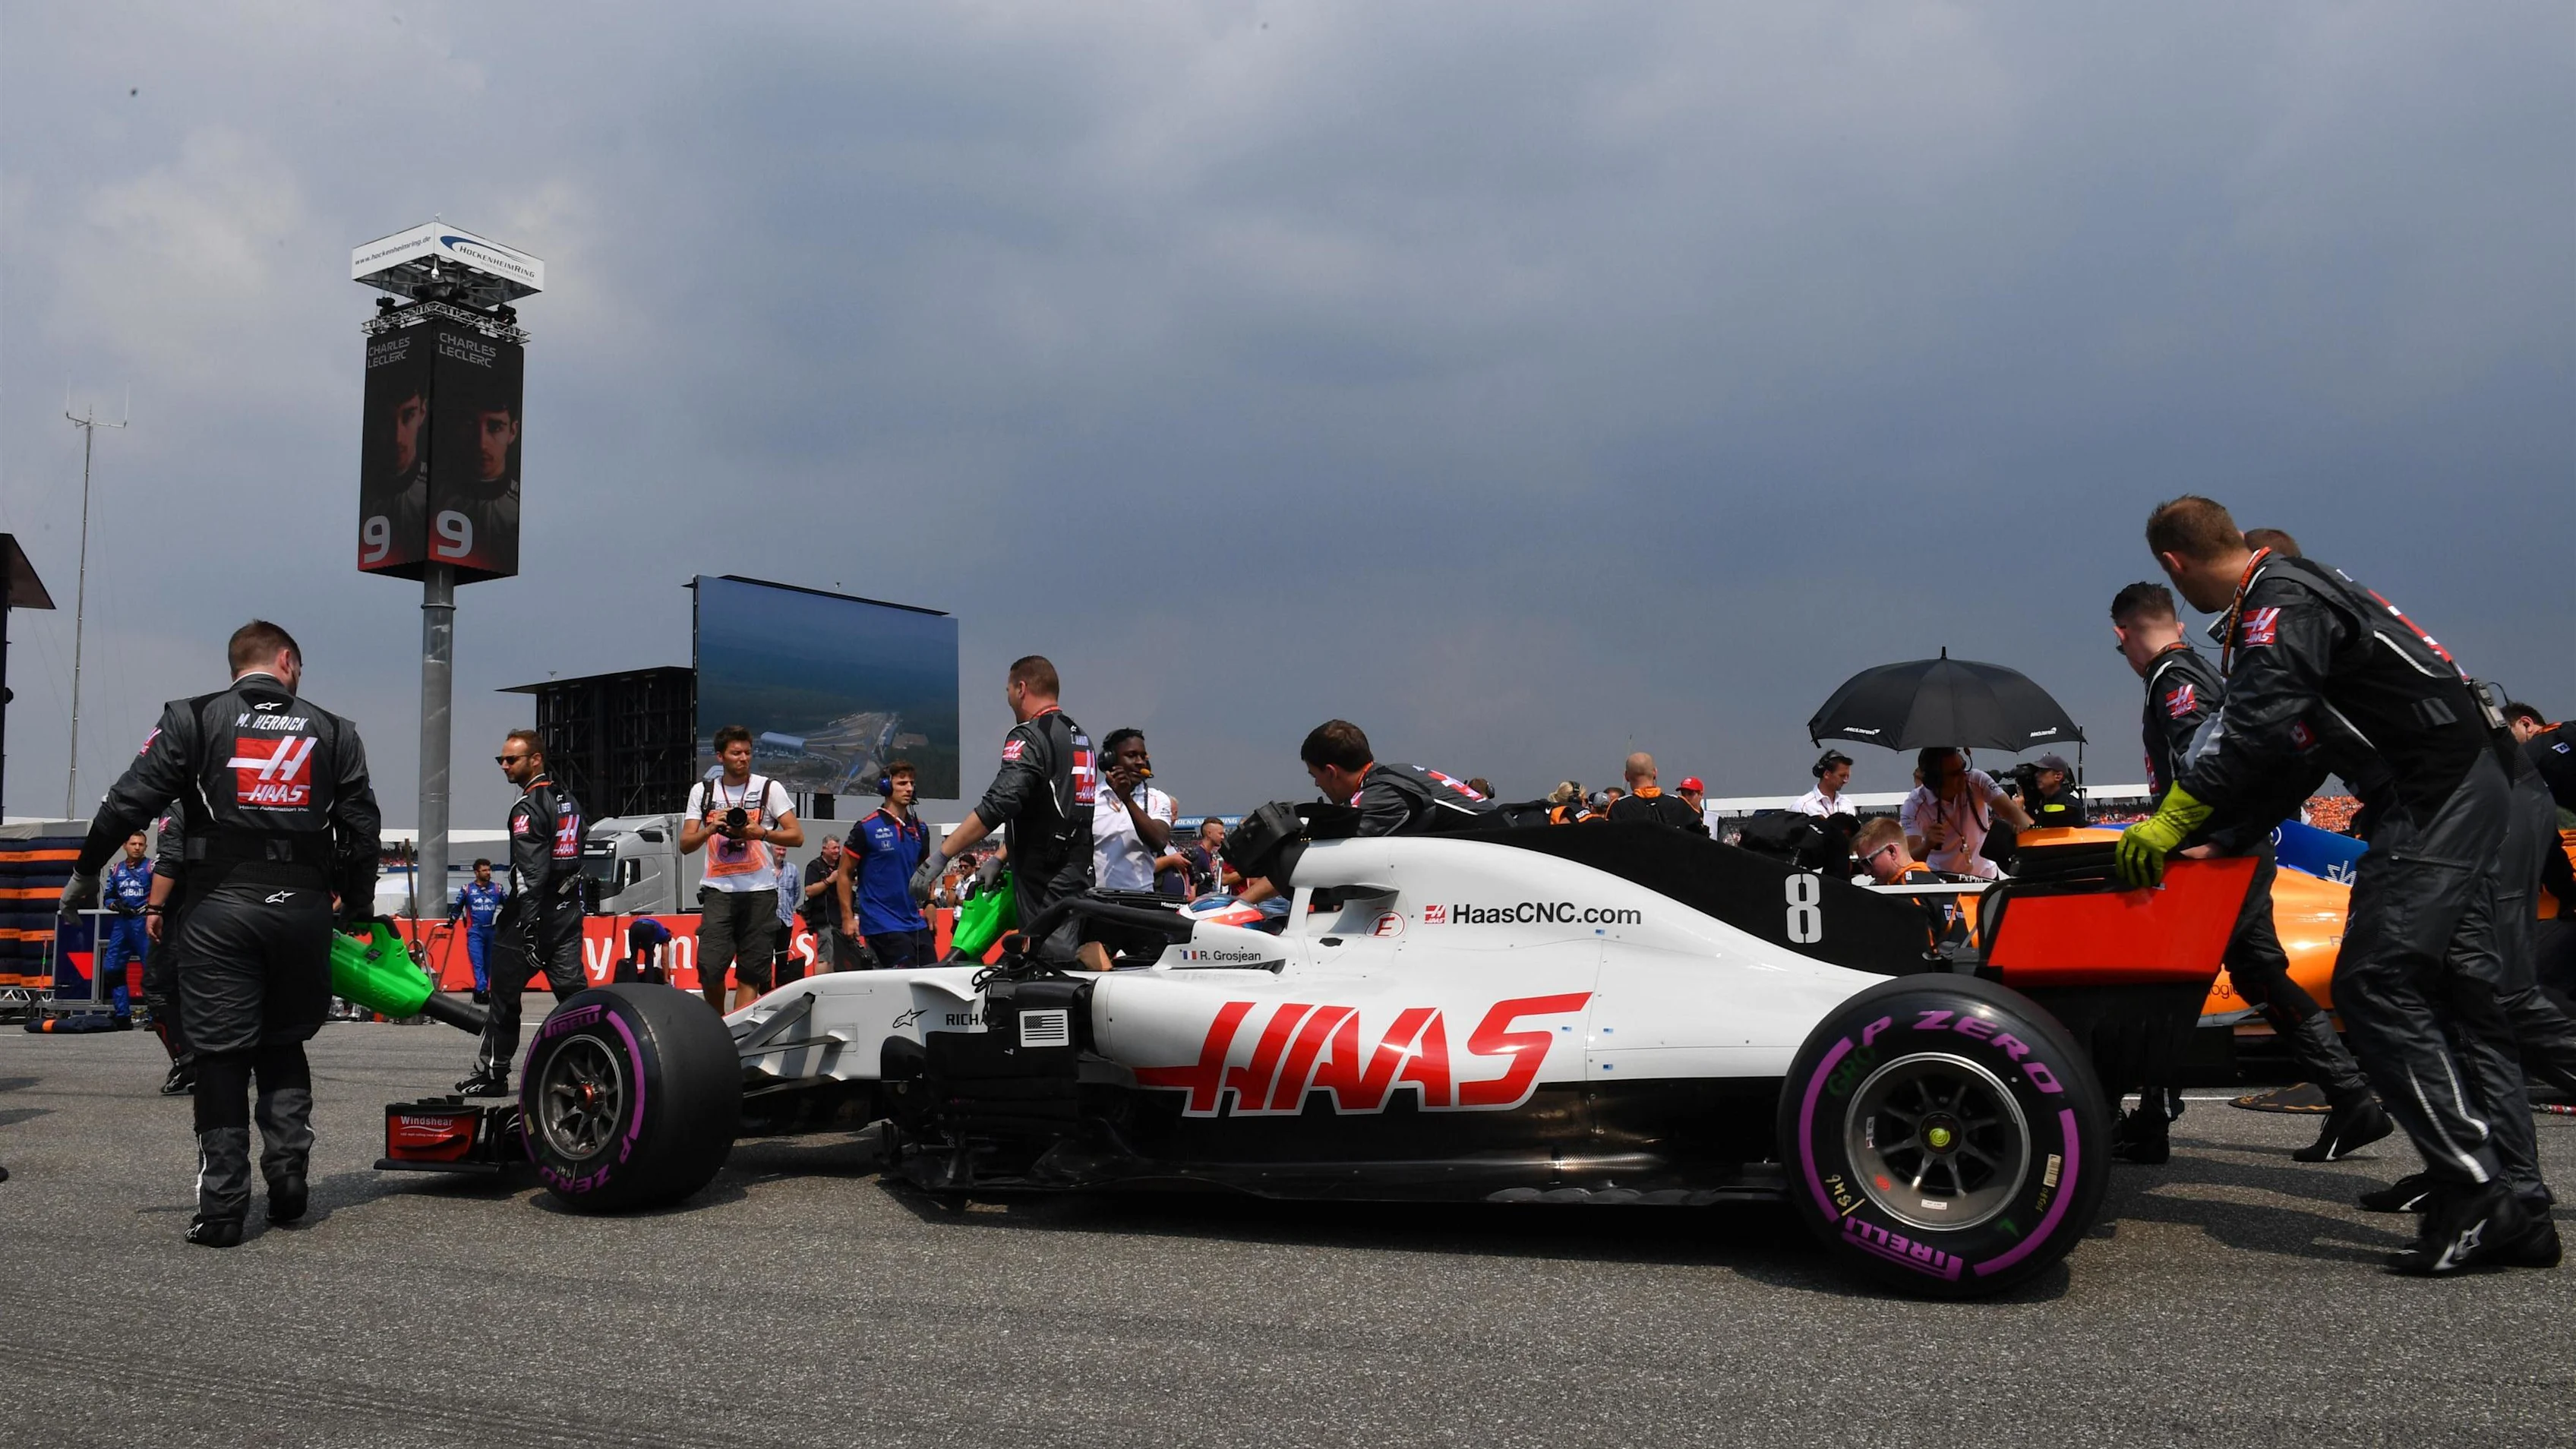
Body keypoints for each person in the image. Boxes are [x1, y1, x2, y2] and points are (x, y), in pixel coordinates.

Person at [2120, 496, 2550, 1273]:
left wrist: (2169, 820)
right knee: (2462, 992)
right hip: (2447, 786)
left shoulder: (2275, 605)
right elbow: (2289, 758)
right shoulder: (2294, 595)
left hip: (2436, 791)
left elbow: (2252, 733)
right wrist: (2212, 837)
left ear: (2171, 566)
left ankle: (2480, 1193)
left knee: (2374, 984)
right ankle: (2512, 1199)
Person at [58, 620, 379, 1247]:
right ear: (286, 660)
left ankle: (224, 1210)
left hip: (219, 912)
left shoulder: (193, 718)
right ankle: (288, 1179)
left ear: (239, 665)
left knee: (223, 1055)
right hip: (302, 909)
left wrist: (84, 872)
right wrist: (357, 909)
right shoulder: (336, 730)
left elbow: (128, 803)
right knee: (284, 1040)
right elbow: (362, 830)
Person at [2108, 579, 2385, 1166]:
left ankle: (2150, 1123)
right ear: (2178, 624)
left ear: (2123, 634)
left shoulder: (2173, 681)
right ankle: (2352, 1098)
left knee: (2167, 985)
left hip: (2214, 857)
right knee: (2259, 976)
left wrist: (2203, 841)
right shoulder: (2195, 671)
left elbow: (2208, 764)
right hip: (2235, 849)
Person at [914, 658, 1098, 965]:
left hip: (1044, 880)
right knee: (1066, 954)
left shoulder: (1029, 735)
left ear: (1021, 688)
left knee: (1050, 967)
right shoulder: (1080, 736)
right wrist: (1001, 857)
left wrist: (941, 856)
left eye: (1009, 690)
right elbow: (1055, 810)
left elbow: (1000, 802)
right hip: (1077, 870)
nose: (1008, 697)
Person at [458, 730, 587, 1098]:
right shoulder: (570, 801)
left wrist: (528, 927)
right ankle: (594, 1067)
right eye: (501, 759)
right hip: (567, 912)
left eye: (511, 759)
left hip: (533, 917)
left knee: (504, 998)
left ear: (535, 759)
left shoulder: (528, 808)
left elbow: (530, 876)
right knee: (575, 998)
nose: (504, 766)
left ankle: (494, 1074)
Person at [682, 724, 804, 1012]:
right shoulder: (703, 791)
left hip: (760, 891)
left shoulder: (769, 788)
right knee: (709, 967)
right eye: (736, 753)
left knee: (753, 970)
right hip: (718, 890)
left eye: (748, 753)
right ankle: (719, 1021)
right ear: (719, 757)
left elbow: (796, 836)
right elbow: (686, 844)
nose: (743, 758)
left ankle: (736, 1031)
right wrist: (712, 827)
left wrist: (759, 833)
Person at [843, 760, 934, 968]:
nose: (909, 788)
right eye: (902, 783)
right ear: (885, 786)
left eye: (912, 783)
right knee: (904, 983)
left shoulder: (921, 829)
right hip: (882, 924)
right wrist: (848, 918)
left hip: (915, 922)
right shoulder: (866, 828)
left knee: (934, 977)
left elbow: (928, 869)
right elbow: (844, 874)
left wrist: (931, 903)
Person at [1900, 747, 2031, 880]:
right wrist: (1926, 846)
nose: (1964, 775)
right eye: (1955, 773)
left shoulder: (1976, 780)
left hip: (1985, 876)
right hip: (1943, 880)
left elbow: (2013, 813)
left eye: (1964, 767)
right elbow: (1908, 861)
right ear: (1935, 781)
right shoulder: (1914, 805)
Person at [1852, 817, 1970, 952]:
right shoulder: (1932, 879)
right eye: (1861, 865)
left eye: (1868, 862)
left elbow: (1918, 954)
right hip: (1959, 965)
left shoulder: (1904, 892)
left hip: (1935, 970)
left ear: (1891, 851)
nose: (1866, 872)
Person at [140, 809, 194, 1094]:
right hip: (232, 902)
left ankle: (187, 1059)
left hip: (184, 908)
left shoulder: (176, 805)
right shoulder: (227, 791)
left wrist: (154, 908)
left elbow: (170, 859)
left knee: (158, 987)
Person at [1092, 728, 1178, 891]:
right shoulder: (1091, 799)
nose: (1140, 762)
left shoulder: (1157, 799)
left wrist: (1127, 799)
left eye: (1143, 756)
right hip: (1097, 902)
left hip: (1139, 902)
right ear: (1110, 760)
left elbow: (1159, 841)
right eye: (1131, 756)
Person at [96, 832, 153, 1025]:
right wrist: (116, 905)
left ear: (146, 847)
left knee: (152, 970)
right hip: (122, 923)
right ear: (125, 846)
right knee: (112, 968)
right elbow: (108, 898)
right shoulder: (115, 869)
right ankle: (122, 1014)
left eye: (141, 844)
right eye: (133, 844)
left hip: (145, 922)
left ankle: (155, 1016)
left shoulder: (152, 867)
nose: (137, 847)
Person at [446, 858, 507, 1005]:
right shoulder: (467, 889)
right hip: (475, 932)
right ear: (476, 872)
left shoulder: (498, 888)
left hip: (492, 931)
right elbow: (457, 907)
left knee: (489, 963)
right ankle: (481, 989)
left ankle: (484, 990)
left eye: (489, 870)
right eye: (484, 870)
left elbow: (509, 907)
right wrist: (452, 921)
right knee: (477, 962)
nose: (488, 873)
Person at [1605, 752, 1709, 834]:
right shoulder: (1679, 804)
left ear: (1626, 776)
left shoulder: (1618, 807)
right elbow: (1700, 839)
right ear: (1655, 772)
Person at [800, 835, 850, 974]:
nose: (837, 851)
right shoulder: (815, 866)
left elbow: (854, 880)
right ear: (824, 849)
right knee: (826, 957)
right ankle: (820, 988)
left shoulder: (843, 864)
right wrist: (830, 880)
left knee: (846, 956)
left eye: (838, 848)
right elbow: (809, 891)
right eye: (834, 848)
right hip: (824, 919)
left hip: (844, 917)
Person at [2021, 753, 2090, 829]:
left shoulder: (2068, 804)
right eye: (2037, 771)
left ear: (2058, 776)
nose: (2037, 775)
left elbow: (2041, 832)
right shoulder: (2037, 801)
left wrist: (2018, 811)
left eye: (2043, 771)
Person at [772, 853, 805, 987]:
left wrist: (788, 907)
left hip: (785, 920)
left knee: (782, 957)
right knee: (765, 956)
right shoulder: (763, 868)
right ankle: (765, 989)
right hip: (766, 921)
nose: (781, 852)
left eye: (784, 849)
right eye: (778, 849)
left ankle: (780, 987)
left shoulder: (792, 869)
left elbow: (796, 893)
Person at [1180, 817, 1233, 899]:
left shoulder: (1209, 854)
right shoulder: (1198, 855)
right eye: (1220, 834)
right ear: (1209, 833)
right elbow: (1192, 886)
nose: (1223, 837)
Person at [1795, 752, 1857, 819]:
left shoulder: (1847, 804)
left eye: (1848, 776)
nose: (1846, 781)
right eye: (1842, 776)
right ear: (1827, 774)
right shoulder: (1803, 806)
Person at [615, 916, 674, 986]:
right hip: (648, 928)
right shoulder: (665, 935)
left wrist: (648, 949)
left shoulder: (656, 933)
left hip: (634, 926)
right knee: (649, 959)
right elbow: (664, 960)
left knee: (633, 958)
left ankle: (631, 982)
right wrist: (666, 979)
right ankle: (649, 984)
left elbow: (639, 944)